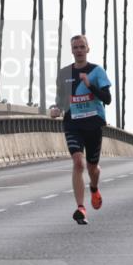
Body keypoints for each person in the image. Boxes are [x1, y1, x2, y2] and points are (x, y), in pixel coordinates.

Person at [49, 35, 112, 225]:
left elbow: (107, 99)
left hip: (93, 124)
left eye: (82, 47)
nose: (79, 50)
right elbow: (61, 100)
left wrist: (89, 85)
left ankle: (94, 188)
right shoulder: (64, 74)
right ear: (71, 50)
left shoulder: (97, 71)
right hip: (73, 124)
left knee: (93, 167)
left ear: (88, 49)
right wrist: (56, 109)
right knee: (78, 163)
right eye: (75, 47)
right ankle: (80, 208)